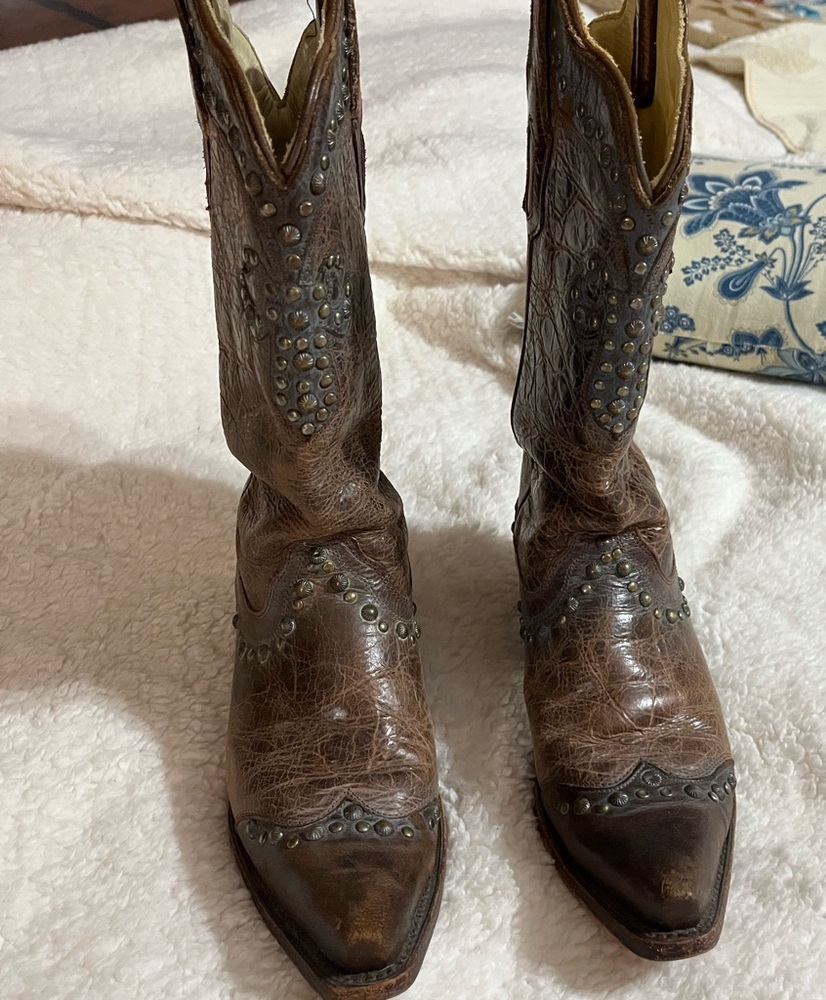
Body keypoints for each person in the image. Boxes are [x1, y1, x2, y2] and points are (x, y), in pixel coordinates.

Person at [173, 1, 736, 996]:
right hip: (317, 583)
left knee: (624, 153)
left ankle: (585, 521)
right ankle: (318, 544)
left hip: (587, 516)